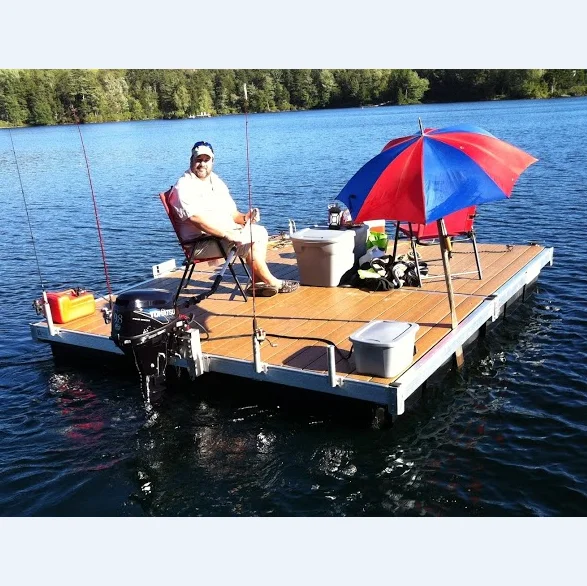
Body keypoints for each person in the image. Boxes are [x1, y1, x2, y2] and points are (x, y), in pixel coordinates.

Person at [169, 140, 299, 296]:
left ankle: (257, 283)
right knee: (252, 237)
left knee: (259, 231)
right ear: (191, 160)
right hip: (200, 243)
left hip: (220, 237)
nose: (202, 164)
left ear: (212, 161)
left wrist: (246, 217)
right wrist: (225, 233)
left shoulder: (216, 182)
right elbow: (195, 219)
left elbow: (233, 214)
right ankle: (272, 282)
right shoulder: (184, 186)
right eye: (198, 160)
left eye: (206, 160)